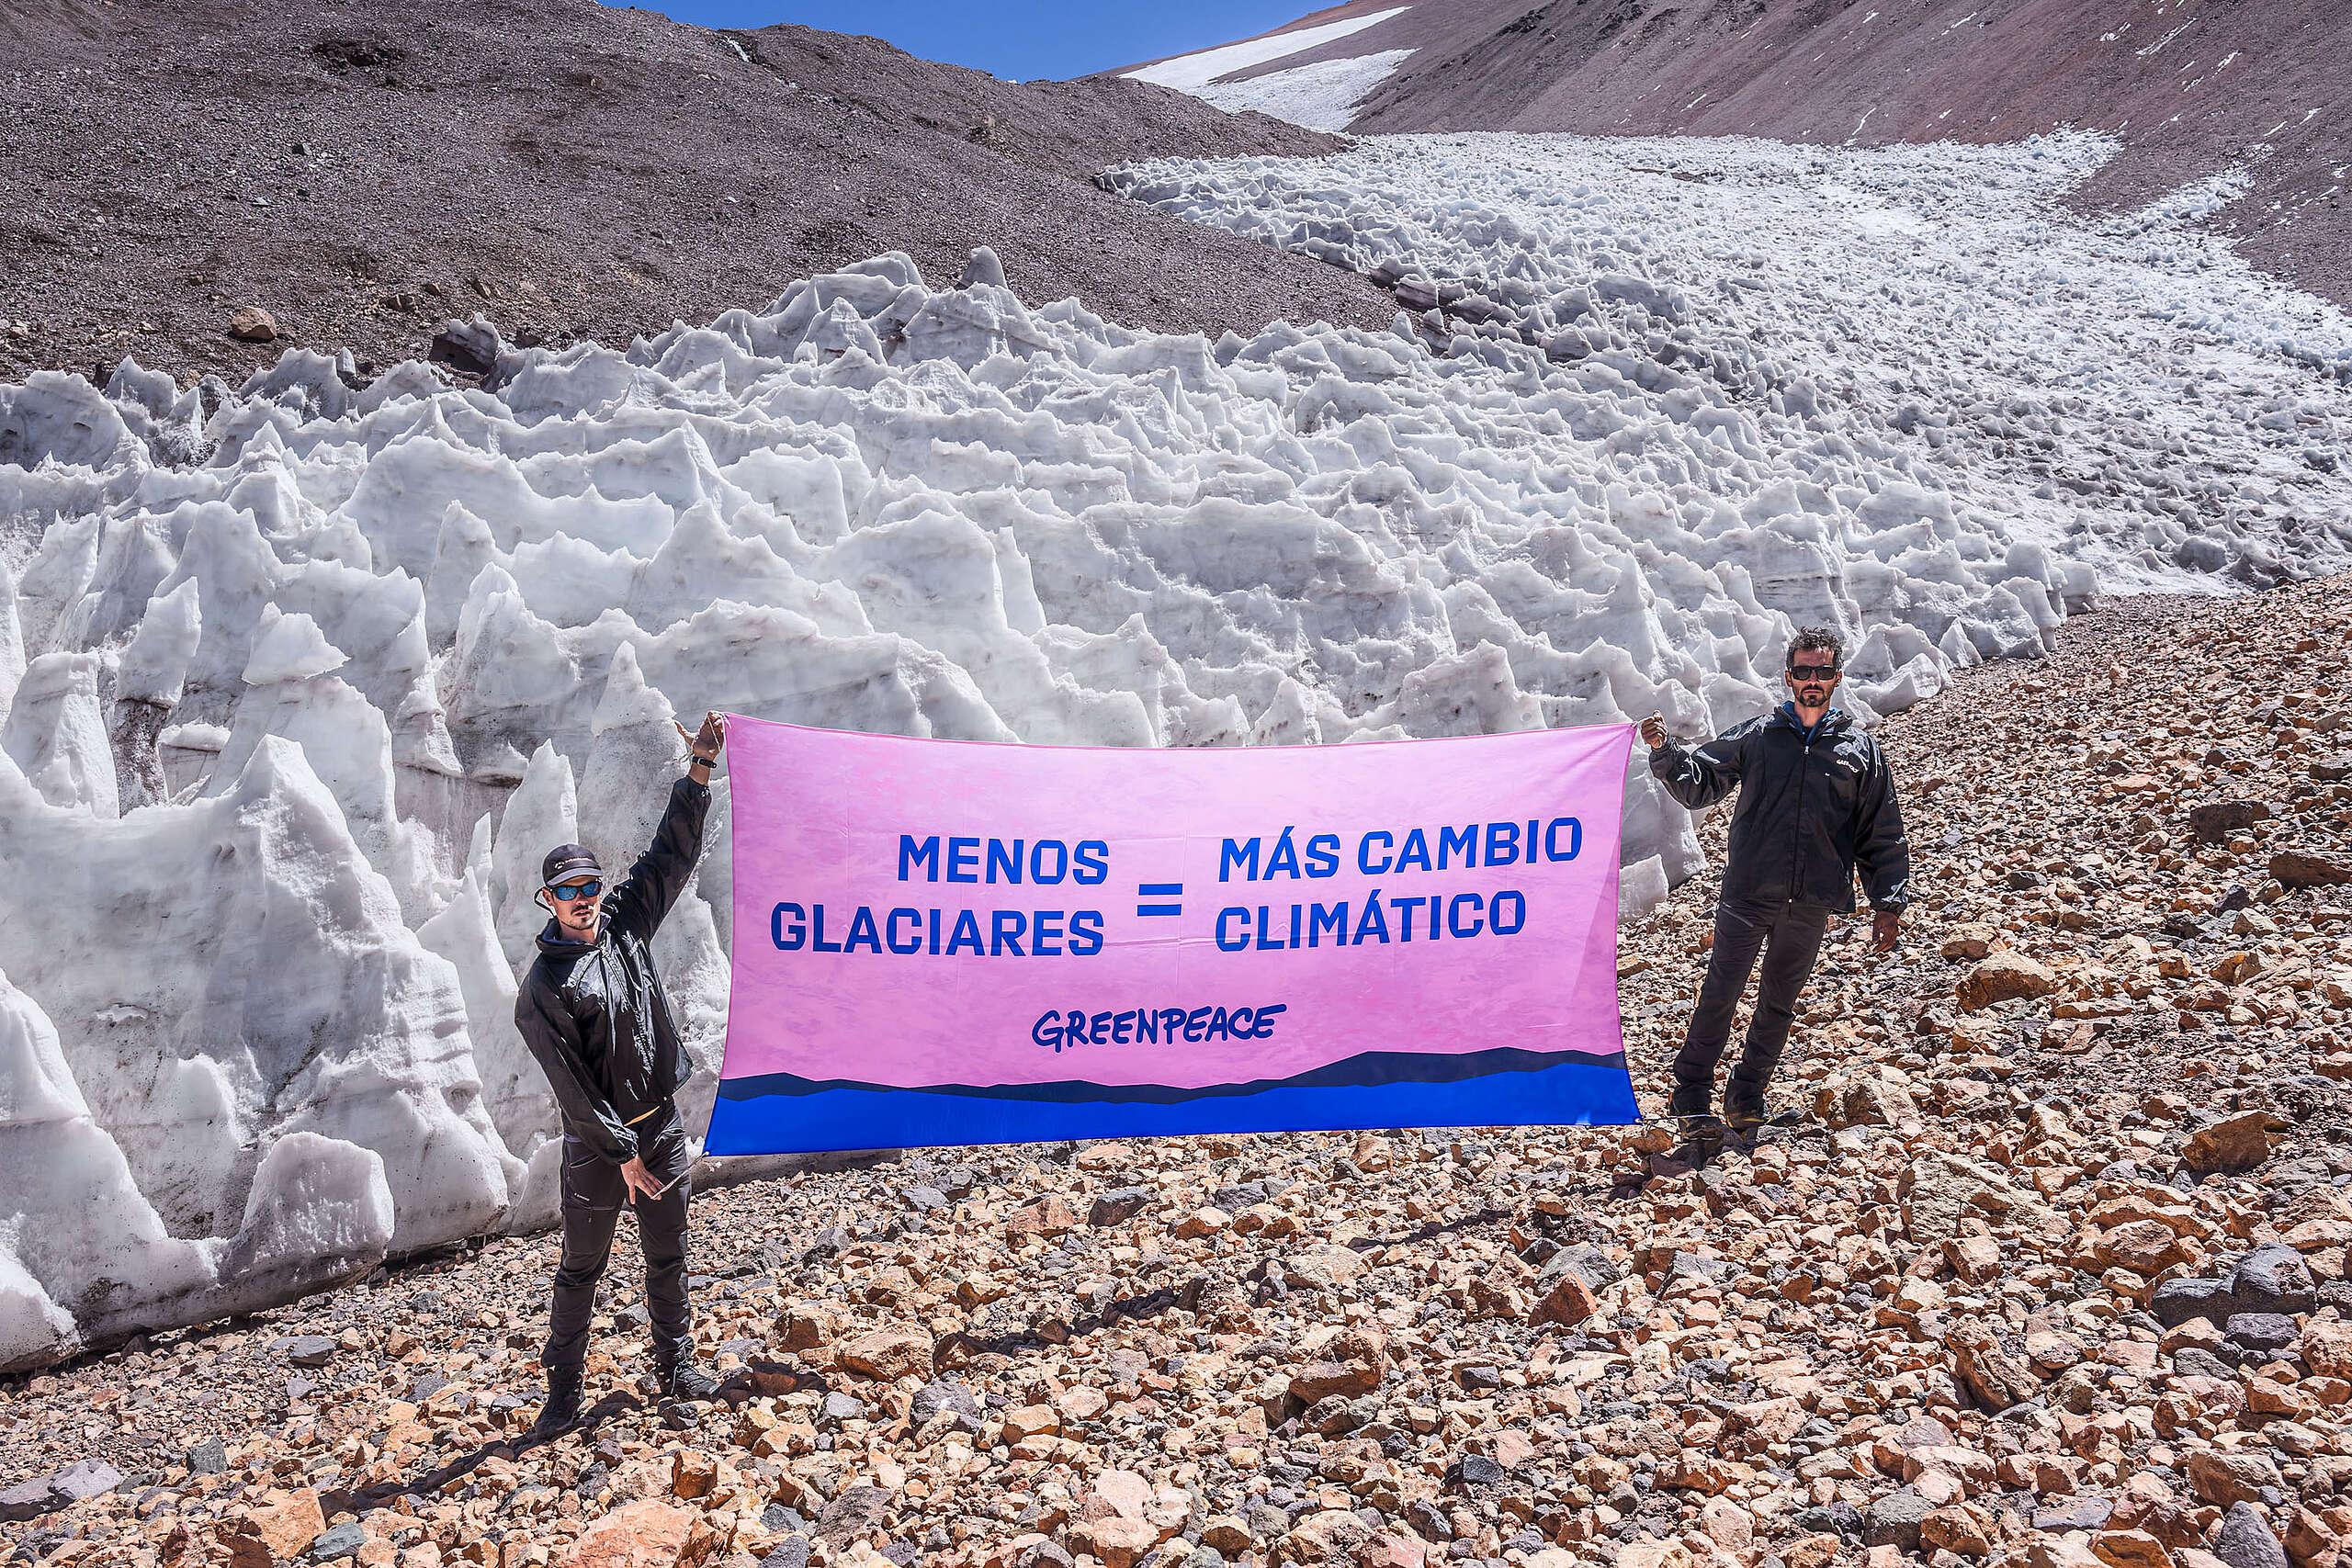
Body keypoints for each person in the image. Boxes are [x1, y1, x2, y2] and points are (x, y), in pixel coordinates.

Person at [518, 711, 727, 1438]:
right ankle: (563, 1391)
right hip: (601, 1151)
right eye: (570, 890)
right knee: (582, 1268)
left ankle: (675, 1365)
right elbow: (571, 1087)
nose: (585, 898)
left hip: (660, 1128)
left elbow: (671, 855)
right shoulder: (543, 987)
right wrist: (621, 1153)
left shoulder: (626, 926)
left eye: (591, 884)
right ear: (548, 900)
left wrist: (698, 769)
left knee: (669, 1252)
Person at [1640, 628, 1909, 1130]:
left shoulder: (1859, 748)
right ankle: (1692, 1092)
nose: (1812, 680)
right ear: (1788, 677)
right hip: (1749, 891)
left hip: (1811, 899)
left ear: (1837, 677)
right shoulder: (1759, 736)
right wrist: (1666, 750)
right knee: (1721, 991)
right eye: (1803, 671)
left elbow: (1881, 829)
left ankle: (1747, 1095)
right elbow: (1701, 784)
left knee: (1779, 1002)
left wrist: (1887, 903)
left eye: (1822, 671)